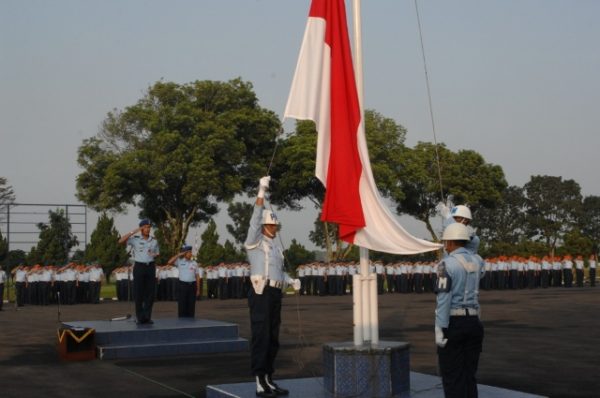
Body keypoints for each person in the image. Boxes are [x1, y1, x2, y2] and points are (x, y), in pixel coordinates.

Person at [244, 176, 300, 397]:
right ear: (264, 226)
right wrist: (261, 190)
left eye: (275, 225)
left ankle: (268, 378)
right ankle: (259, 379)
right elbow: (254, 219)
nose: (274, 228)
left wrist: (291, 280)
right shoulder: (254, 243)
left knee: (273, 337)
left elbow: (279, 272)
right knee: (261, 335)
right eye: (270, 224)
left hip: (276, 292)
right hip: (261, 292)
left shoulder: (276, 248)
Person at [434, 223, 485, 398]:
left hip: (453, 323)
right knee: (469, 374)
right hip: (474, 322)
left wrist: (439, 326)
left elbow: (443, 298)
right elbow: (474, 245)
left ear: (448, 242)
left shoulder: (445, 264)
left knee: (452, 375)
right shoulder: (478, 261)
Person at [119, 219, 160, 325]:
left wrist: (154, 254)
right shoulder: (135, 239)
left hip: (150, 266)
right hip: (139, 267)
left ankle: (147, 317)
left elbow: (157, 253)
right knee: (138, 293)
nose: (148, 229)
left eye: (149, 227)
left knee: (150, 294)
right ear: (141, 228)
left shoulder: (154, 240)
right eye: (145, 227)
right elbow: (120, 241)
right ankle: (140, 317)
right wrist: (135, 230)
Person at [167, 245, 199, 318]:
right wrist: (179, 255)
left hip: (192, 285)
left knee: (191, 304)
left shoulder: (194, 263)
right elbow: (169, 262)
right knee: (182, 303)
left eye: (191, 252)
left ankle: (191, 320)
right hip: (182, 285)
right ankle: (181, 321)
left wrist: (198, 289)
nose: (190, 254)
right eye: (189, 252)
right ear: (185, 253)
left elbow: (197, 276)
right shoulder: (179, 261)